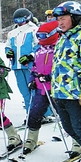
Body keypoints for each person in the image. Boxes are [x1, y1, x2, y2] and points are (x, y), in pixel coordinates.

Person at [50, 1, 81, 162]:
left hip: (78, 94)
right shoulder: (63, 37)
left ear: (74, 17)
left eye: (63, 18)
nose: (60, 22)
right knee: (69, 128)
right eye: (58, 19)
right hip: (61, 92)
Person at [23, 20, 66, 154]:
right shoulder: (40, 50)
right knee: (34, 114)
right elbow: (35, 67)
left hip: (57, 90)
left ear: (53, 34)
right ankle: (31, 140)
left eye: (43, 36)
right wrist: (32, 79)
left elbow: (64, 68)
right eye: (39, 36)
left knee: (65, 117)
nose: (40, 39)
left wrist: (51, 77)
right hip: (41, 89)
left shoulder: (60, 47)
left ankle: (78, 145)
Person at [5, 8, 44, 124]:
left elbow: (39, 45)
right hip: (17, 66)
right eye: (17, 20)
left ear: (27, 18)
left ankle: (40, 114)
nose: (19, 22)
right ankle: (30, 114)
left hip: (30, 65)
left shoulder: (33, 30)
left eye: (22, 19)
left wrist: (30, 56)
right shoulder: (12, 33)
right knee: (24, 92)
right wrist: (9, 52)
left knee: (34, 90)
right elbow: (8, 46)